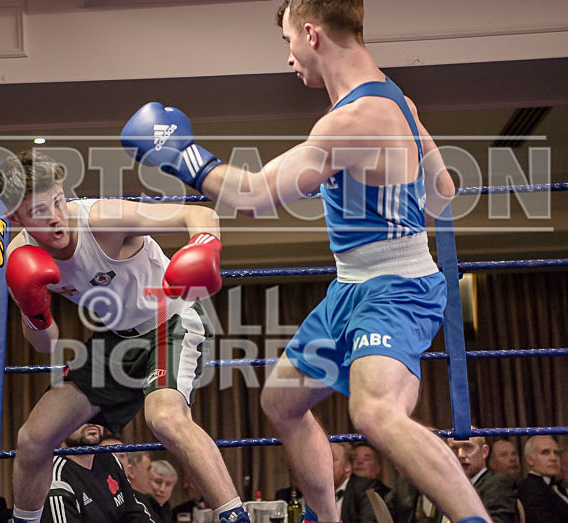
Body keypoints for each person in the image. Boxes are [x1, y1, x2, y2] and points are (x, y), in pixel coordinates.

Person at [119, 1, 489, 522]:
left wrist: (182, 155)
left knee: (374, 411)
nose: (289, 56)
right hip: (352, 287)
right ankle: (325, 518)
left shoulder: (353, 120)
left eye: (288, 40)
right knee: (282, 401)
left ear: (312, 35)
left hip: (397, 287)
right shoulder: (396, 101)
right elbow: (443, 193)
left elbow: (250, 196)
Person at [0, 150, 250, 523]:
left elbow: (198, 213)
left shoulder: (104, 219)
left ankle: (234, 517)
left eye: (58, 201)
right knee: (32, 438)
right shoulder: (20, 255)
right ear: (14, 218)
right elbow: (46, 345)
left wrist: (203, 246)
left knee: (164, 417)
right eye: (39, 211)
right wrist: (34, 310)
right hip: (116, 340)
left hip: (172, 319)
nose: (55, 217)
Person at [42, 423, 153, 523]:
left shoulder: (109, 458)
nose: (92, 421)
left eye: (96, 414)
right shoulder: (57, 476)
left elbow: (134, 512)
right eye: (82, 415)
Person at [517, 435, 568, 523]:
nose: (553, 458)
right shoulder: (530, 488)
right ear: (530, 460)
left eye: (556, 453)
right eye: (545, 452)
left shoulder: (556, 487)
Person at [446, 436, 518, 523]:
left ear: (484, 452)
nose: (460, 455)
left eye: (468, 447)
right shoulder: (446, 488)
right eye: (454, 448)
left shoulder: (498, 485)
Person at [329, 442, 395, 523]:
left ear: (348, 467)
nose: (323, 463)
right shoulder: (315, 492)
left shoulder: (367, 487)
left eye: (332, 458)